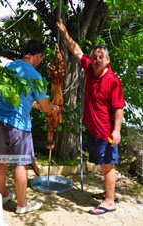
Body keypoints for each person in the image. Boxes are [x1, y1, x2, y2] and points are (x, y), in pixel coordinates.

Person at [57, 20, 124, 215]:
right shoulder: (90, 71)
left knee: (107, 165)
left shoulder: (112, 81)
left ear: (107, 60)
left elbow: (118, 108)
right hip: (94, 130)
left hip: (106, 133)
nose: (96, 59)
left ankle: (110, 201)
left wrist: (117, 130)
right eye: (94, 56)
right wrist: (64, 32)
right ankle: (108, 193)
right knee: (104, 165)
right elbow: (77, 51)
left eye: (100, 57)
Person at [0, 39, 59, 214]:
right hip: (19, 127)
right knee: (20, 164)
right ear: (38, 56)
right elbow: (46, 107)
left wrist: (34, 104)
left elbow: (16, 98)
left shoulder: (8, 68)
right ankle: (22, 205)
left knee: (1, 160)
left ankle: (4, 194)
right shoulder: (35, 76)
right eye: (41, 58)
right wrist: (52, 107)